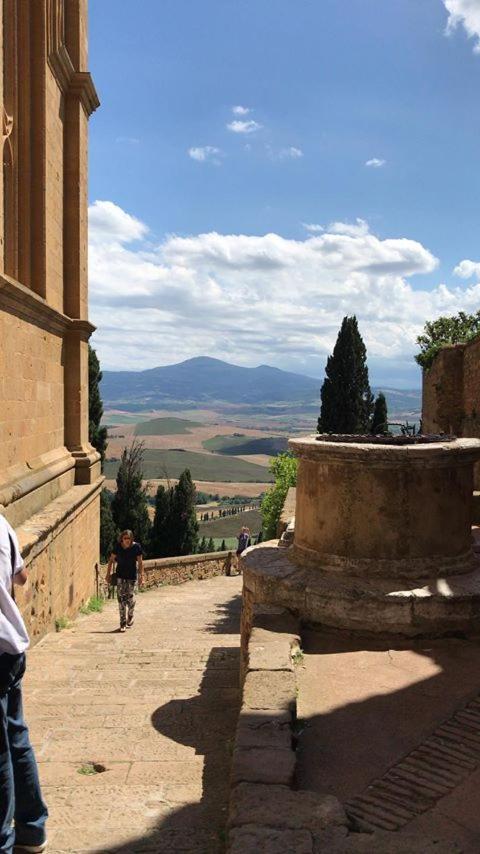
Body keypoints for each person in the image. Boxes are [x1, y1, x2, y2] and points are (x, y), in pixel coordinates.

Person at [0, 513, 48, 853]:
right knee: (16, 736)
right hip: (11, 650)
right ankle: (31, 829)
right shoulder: (1, 524)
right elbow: (22, 576)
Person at [106, 530, 144, 633]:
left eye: (129, 538)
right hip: (120, 576)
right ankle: (122, 623)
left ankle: (130, 615)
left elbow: (140, 563)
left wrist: (141, 576)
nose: (127, 540)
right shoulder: (118, 546)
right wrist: (107, 574)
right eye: (125, 538)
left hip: (131, 576)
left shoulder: (137, 547)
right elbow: (111, 560)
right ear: (122, 539)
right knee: (121, 599)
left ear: (132, 539)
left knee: (130, 599)